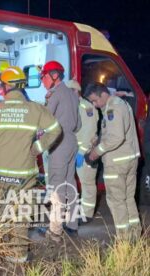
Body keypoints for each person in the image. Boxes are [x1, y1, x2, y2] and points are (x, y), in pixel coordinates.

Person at [0, 66, 62, 263]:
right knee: (20, 214)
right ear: (22, 85)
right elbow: (56, 130)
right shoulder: (35, 109)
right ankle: (18, 255)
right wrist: (37, 148)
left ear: (7, 86)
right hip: (23, 173)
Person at [84, 82, 141, 241]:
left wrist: (95, 153)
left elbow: (116, 137)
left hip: (117, 162)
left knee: (117, 202)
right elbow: (114, 132)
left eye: (95, 100)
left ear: (103, 94)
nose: (94, 105)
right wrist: (99, 138)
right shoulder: (120, 104)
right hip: (128, 159)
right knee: (128, 199)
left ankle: (123, 241)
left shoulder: (112, 107)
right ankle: (134, 236)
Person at [40, 61, 81, 239]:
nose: (42, 80)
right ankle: (72, 225)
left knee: (57, 187)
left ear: (54, 76)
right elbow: (78, 124)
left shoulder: (55, 95)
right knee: (70, 183)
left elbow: (45, 122)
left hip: (59, 142)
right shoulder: (72, 94)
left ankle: (55, 229)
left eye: (44, 76)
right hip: (72, 140)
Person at [66, 80, 99, 223]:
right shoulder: (70, 106)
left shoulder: (87, 108)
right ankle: (73, 211)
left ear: (75, 92)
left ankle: (87, 214)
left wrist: (82, 152)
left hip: (85, 153)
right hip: (73, 152)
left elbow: (90, 132)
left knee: (87, 184)